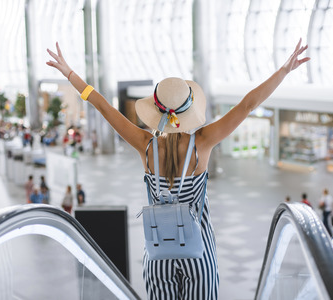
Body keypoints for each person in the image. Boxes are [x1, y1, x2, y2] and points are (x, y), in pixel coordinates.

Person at [47, 38, 309, 299]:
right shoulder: (202, 143)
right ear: (189, 111)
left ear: (155, 110)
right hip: (199, 252)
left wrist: (70, 74)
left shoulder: (145, 145)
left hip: (159, 253)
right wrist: (284, 71)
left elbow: (102, 105)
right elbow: (247, 105)